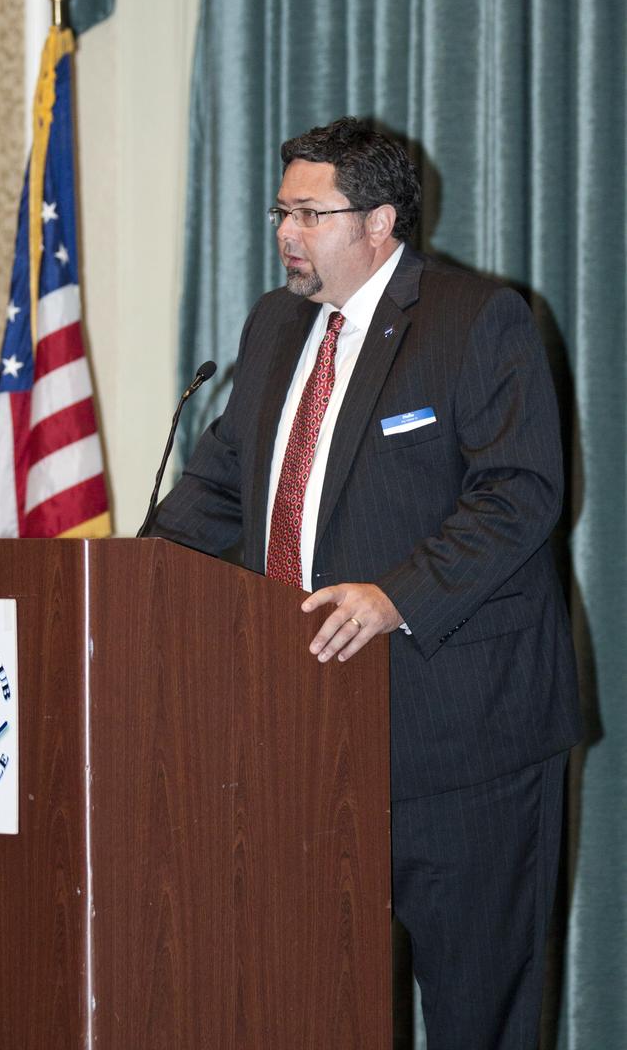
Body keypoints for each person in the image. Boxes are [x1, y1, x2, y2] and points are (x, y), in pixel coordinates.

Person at [150, 117, 581, 1050]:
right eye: (281, 211)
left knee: (476, 1017)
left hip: (460, 737)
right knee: (308, 1004)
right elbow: (221, 487)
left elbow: (519, 494)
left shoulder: (475, 319)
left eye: (309, 214)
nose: (285, 233)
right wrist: (125, 578)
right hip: (302, 734)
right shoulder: (275, 326)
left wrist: (396, 597)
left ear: (379, 221)